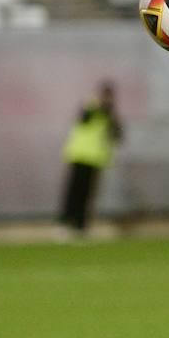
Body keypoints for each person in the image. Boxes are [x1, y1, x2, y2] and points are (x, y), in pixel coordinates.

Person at [59, 82, 124, 234]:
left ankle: (81, 226)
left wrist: (111, 116)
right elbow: (84, 118)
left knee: (87, 195)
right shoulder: (91, 106)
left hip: (95, 159)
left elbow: (117, 134)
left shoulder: (110, 114)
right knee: (75, 192)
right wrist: (102, 108)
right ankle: (66, 223)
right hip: (80, 155)